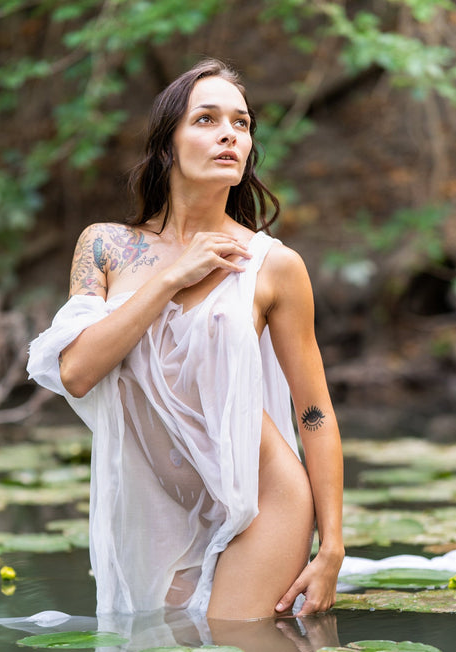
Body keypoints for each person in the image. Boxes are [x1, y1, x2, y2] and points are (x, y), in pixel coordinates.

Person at [27, 58, 344, 619]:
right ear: (167, 146)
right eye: (206, 119)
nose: (229, 134)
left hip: (264, 500)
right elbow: (76, 372)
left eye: (241, 124)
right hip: (157, 509)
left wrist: (333, 549)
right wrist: (172, 276)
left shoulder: (272, 265)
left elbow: (314, 410)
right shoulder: (105, 247)